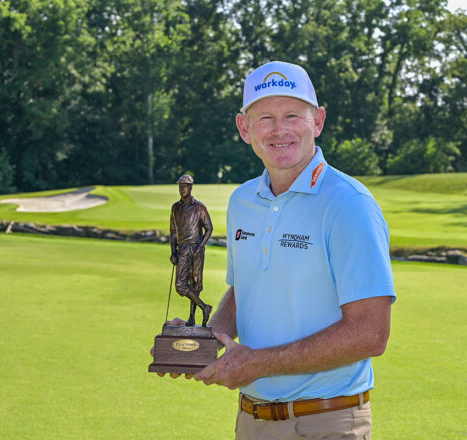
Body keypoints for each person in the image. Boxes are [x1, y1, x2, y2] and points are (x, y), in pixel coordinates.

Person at [156, 61, 396, 439]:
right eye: (264, 117)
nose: (279, 129)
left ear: (317, 121)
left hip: (325, 422)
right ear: (244, 128)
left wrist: (257, 363)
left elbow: (370, 333)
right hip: (251, 422)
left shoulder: (349, 204)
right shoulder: (242, 200)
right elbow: (243, 293)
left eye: (292, 115)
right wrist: (198, 339)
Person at [169, 174, 213, 327]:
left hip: (196, 248)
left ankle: (192, 318)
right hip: (182, 250)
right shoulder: (175, 208)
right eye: (180, 186)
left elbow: (209, 228)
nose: (182, 189)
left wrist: (200, 247)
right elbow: (173, 232)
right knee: (180, 286)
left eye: (185, 186)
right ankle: (204, 307)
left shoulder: (199, 207)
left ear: (191, 187)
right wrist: (173, 252)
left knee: (196, 284)